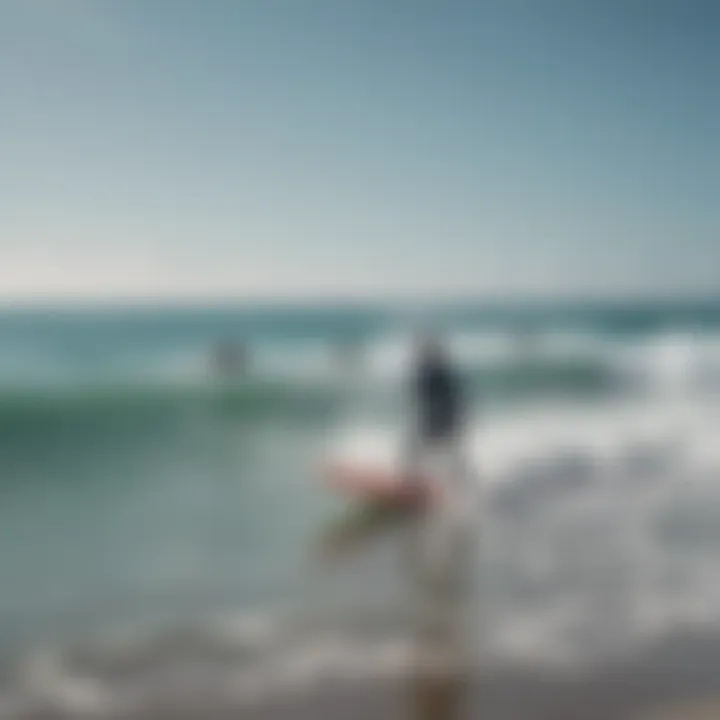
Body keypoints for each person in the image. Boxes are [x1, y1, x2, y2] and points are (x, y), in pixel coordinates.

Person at [405, 334, 465, 492]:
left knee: (415, 449)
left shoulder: (430, 373)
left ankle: (414, 484)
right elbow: (456, 399)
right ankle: (460, 480)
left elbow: (432, 399)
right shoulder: (438, 371)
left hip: (439, 420)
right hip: (445, 419)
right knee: (450, 451)